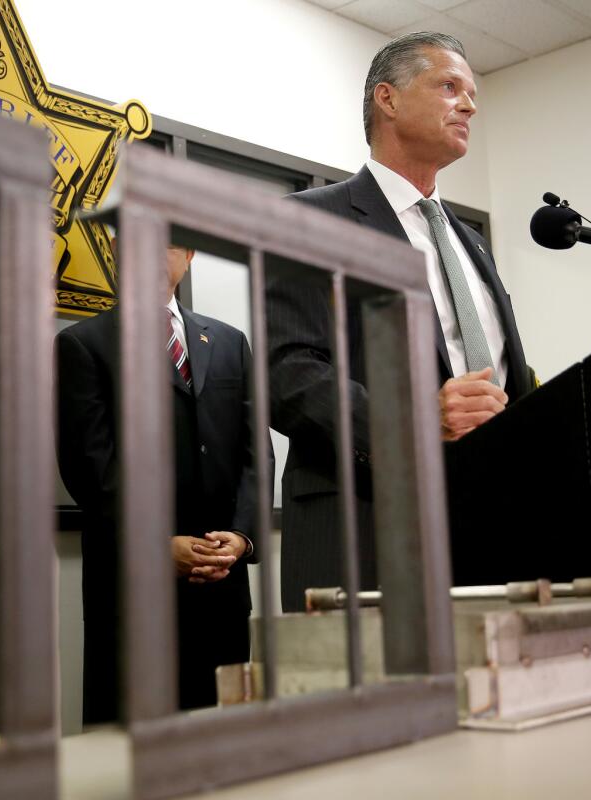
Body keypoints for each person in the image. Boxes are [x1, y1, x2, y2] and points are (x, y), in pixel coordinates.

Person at [269, 32, 534, 611]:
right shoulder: (309, 220)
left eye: (472, 94)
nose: (469, 105)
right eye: (449, 86)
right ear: (387, 99)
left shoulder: (474, 246)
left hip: (486, 521)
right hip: (364, 523)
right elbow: (288, 375)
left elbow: (507, 379)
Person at [56, 246, 267, 723]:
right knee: (133, 737)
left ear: (189, 255)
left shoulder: (231, 341)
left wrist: (242, 536)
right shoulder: (83, 343)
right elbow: (88, 465)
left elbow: (255, 451)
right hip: (132, 578)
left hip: (222, 574)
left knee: (223, 731)